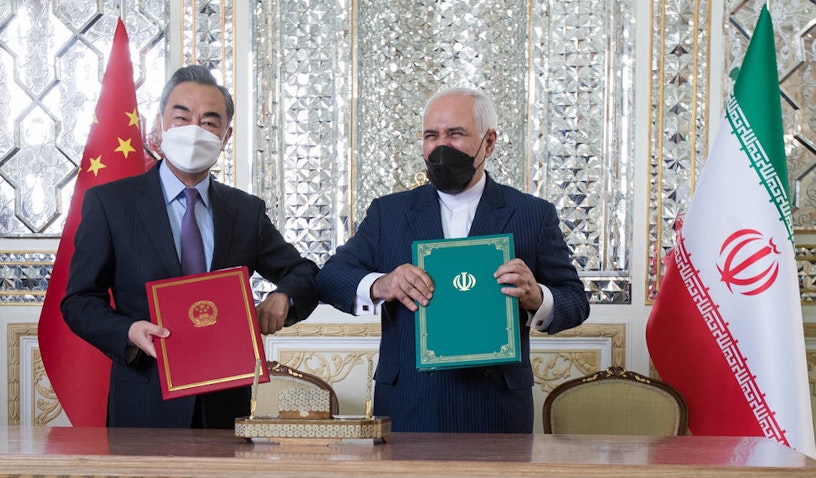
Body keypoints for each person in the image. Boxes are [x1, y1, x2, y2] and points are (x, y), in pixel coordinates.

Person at [316, 87, 589, 433]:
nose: (440, 147)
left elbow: (575, 301)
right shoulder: (389, 213)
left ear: (488, 143)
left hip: (496, 407)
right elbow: (329, 278)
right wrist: (382, 284)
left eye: (455, 134)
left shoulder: (532, 214)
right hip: (409, 404)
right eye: (432, 136)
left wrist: (538, 297)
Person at [61, 65, 319, 429]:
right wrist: (128, 332)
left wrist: (284, 298)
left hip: (224, 405)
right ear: (160, 124)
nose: (195, 130)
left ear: (226, 136)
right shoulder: (110, 204)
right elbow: (79, 301)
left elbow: (303, 272)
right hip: (143, 403)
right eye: (181, 117)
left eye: (209, 122)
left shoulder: (245, 211)